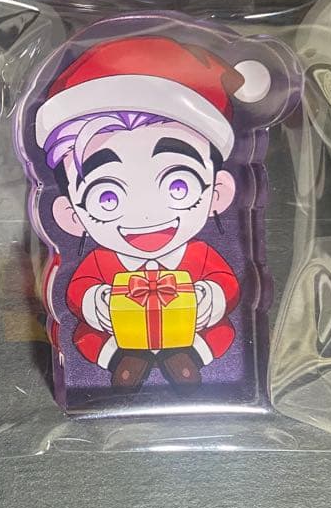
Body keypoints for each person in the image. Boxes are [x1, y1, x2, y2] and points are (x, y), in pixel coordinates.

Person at [34, 36, 271, 393]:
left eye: (178, 186)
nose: (144, 214)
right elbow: (78, 290)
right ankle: (120, 360)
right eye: (108, 196)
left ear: (218, 192)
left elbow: (225, 283)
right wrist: (96, 303)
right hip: (119, 333)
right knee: (86, 335)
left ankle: (190, 356)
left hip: (191, 331)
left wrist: (210, 297)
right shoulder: (99, 263)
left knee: (222, 331)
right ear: (71, 214)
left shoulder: (200, 255)